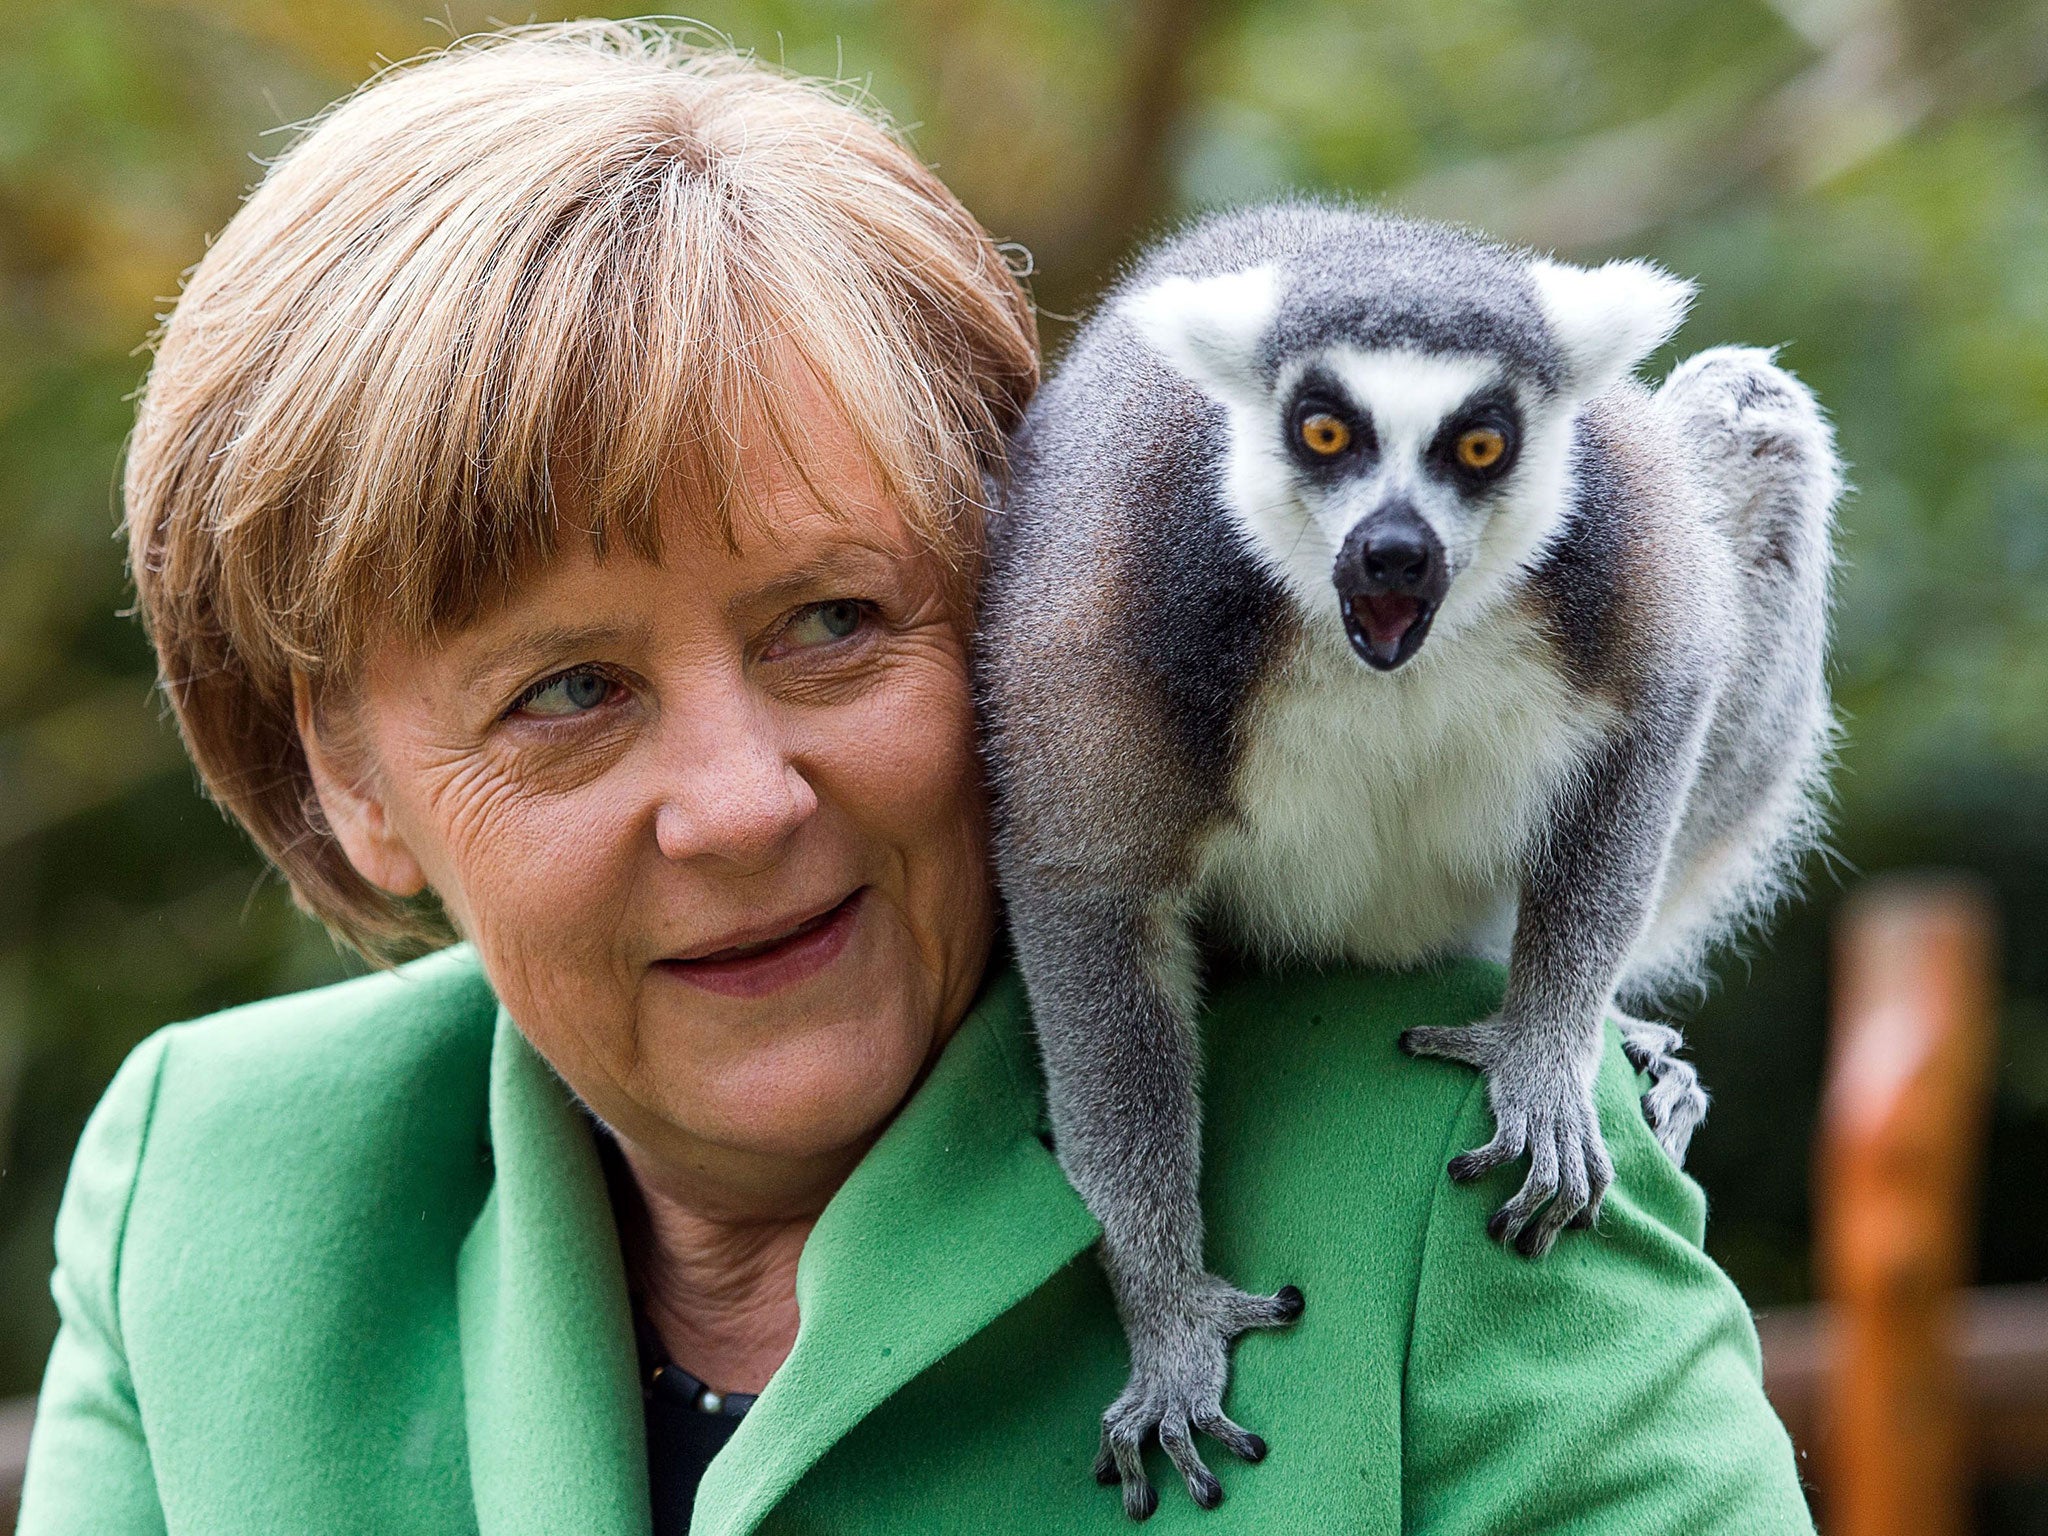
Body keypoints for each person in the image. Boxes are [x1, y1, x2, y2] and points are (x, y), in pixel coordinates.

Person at [18, 22, 1814, 1534]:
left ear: (1017, 611)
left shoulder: (1451, 1209)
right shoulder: (216, 1191)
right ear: (353, 776)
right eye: (568, 689)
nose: (741, 802)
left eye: (830, 624)